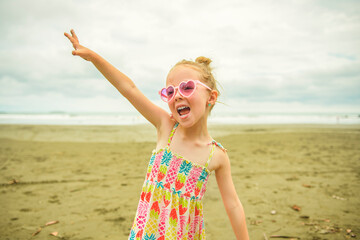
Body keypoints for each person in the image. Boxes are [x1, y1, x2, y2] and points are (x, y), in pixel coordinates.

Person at [64, 29, 249, 240]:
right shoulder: (166, 127)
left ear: (211, 97)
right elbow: (129, 88)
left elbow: (233, 204)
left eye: (187, 87)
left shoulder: (216, 155)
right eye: (170, 91)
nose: (177, 95)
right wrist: (93, 57)